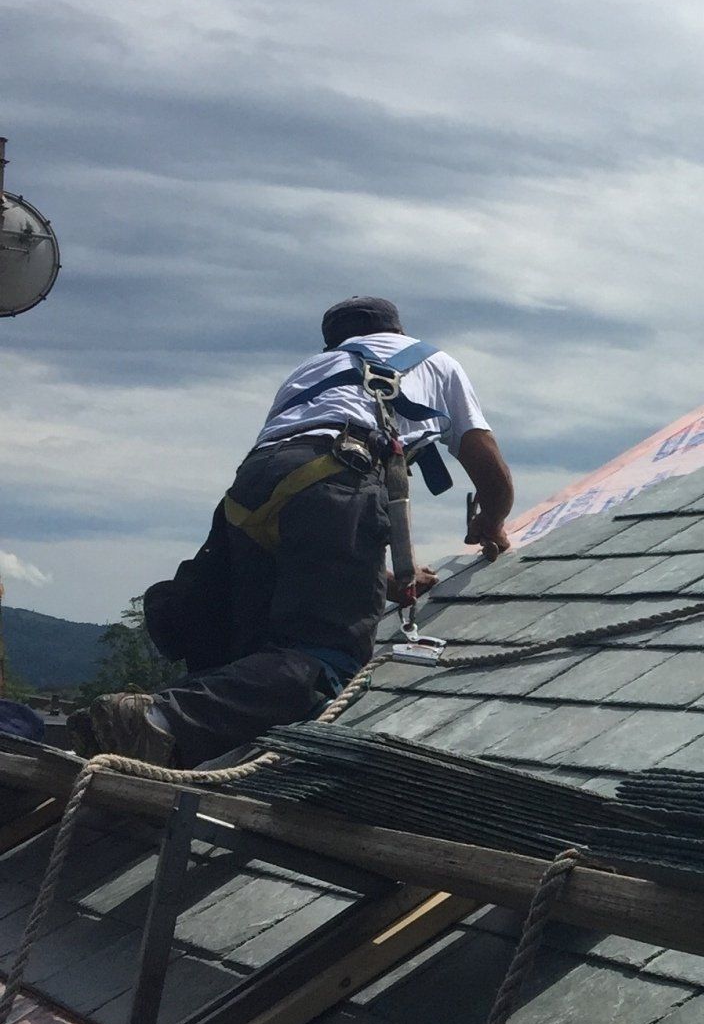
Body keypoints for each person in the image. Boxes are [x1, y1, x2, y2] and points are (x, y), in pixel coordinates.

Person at [72, 297, 514, 767]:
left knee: (254, 643)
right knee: (327, 655)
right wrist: (492, 520)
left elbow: (301, 533)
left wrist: (376, 580)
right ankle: (161, 720)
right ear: (399, 332)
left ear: (333, 342)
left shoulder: (310, 370)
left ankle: (146, 735)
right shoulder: (432, 360)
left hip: (253, 487)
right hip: (334, 473)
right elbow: (482, 456)